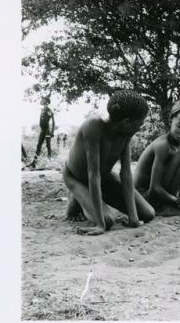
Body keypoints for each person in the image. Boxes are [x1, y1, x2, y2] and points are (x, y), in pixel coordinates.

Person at [63, 90, 155, 236]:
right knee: (107, 221)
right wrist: (100, 224)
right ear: (126, 122)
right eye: (140, 124)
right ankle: (77, 198)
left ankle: (90, 199)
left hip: (104, 177)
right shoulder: (93, 127)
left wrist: (133, 217)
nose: (140, 128)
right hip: (77, 178)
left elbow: (125, 174)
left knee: (148, 213)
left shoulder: (126, 134)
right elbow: (93, 175)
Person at [134, 100, 180, 216]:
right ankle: (164, 206)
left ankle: (169, 200)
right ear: (171, 121)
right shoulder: (163, 146)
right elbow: (155, 187)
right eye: (179, 126)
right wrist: (179, 202)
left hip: (157, 191)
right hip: (144, 195)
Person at [29, 97, 55, 168]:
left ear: (46, 102)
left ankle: (49, 162)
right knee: (38, 145)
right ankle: (34, 162)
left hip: (47, 131)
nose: (42, 101)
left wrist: (52, 132)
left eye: (43, 100)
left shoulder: (49, 110)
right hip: (42, 130)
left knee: (48, 145)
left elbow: (53, 121)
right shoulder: (42, 110)